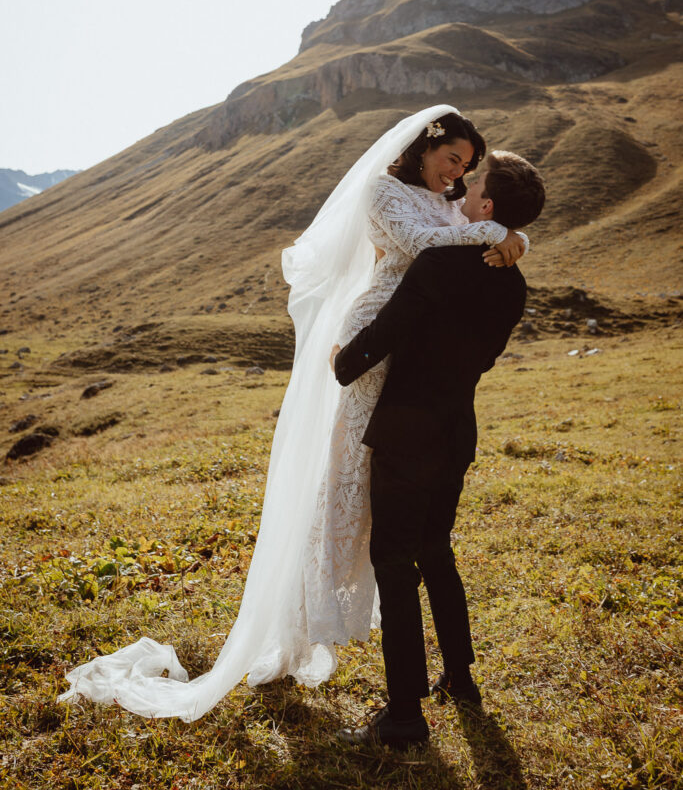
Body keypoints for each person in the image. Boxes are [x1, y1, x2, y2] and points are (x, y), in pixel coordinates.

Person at [58, 106, 527, 722]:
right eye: (452, 160)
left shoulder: (452, 232)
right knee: (407, 524)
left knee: (394, 541)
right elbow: (434, 250)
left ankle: (405, 708)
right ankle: (444, 674)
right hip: (430, 391)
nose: (458, 177)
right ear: (424, 148)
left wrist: (506, 233)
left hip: (401, 375)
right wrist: (508, 234)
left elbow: (435, 264)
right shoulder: (461, 242)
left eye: (469, 170)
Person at [332, 151, 546, 749]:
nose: (463, 193)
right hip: (455, 433)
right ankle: (462, 679)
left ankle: (403, 717)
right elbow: (481, 359)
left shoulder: (437, 265)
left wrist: (343, 361)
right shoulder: (514, 285)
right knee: (436, 552)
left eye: (473, 188)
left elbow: (386, 333)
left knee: (394, 564)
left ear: (488, 206)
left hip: (406, 433)